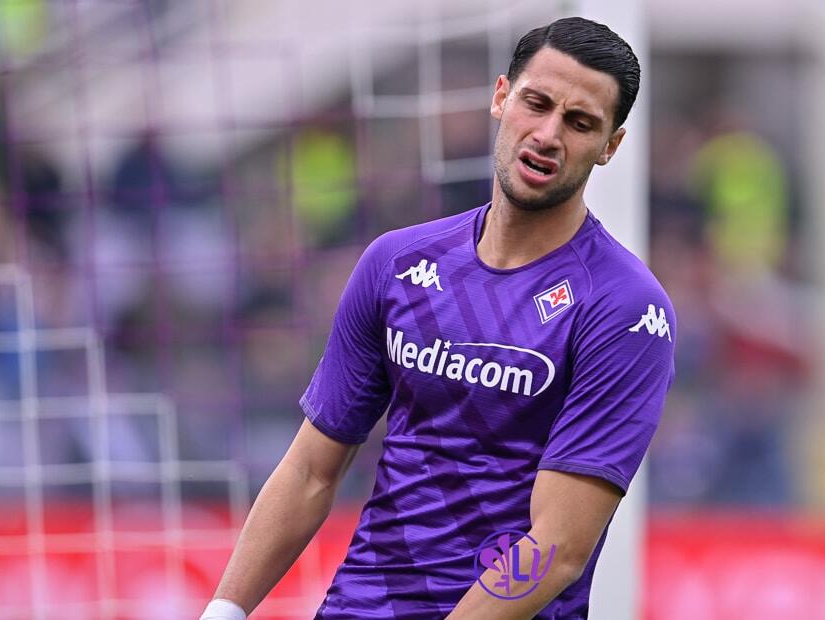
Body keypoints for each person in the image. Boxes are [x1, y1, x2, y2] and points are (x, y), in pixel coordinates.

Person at [202, 16, 675, 619]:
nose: (548, 134)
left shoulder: (624, 307)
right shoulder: (396, 263)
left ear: (610, 146)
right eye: (536, 104)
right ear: (502, 97)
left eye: (580, 123)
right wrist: (224, 610)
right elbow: (310, 472)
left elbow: (557, 548)